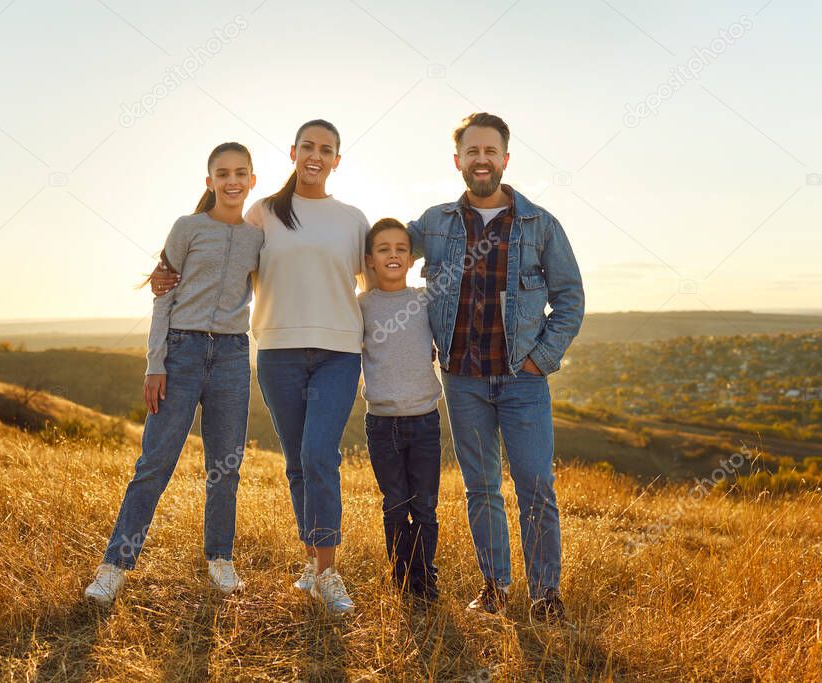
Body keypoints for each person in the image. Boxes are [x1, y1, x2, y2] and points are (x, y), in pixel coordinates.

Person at [151, 120, 369, 615]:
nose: (317, 155)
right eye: (308, 147)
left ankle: (328, 572)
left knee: (319, 454)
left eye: (327, 149)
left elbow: (378, 279)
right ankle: (312, 563)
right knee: (296, 461)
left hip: (339, 353)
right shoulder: (264, 213)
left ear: (338, 158)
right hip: (278, 353)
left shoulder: (354, 219)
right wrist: (168, 275)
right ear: (293, 152)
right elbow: (222, 253)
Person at [406, 113, 585, 625]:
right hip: (462, 380)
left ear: (504, 159)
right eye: (472, 151)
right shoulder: (435, 223)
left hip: (521, 382)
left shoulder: (540, 224)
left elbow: (570, 299)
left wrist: (539, 359)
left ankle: (546, 598)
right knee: (480, 487)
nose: (480, 159)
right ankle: (494, 589)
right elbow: (380, 251)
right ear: (458, 160)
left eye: (490, 151)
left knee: (535, 489)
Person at [85, 142, 263, 606]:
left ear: (252, 180)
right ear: (209, 182)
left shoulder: (257, 237)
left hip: (231, 356)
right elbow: (162, 295)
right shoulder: (188, 228)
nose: (232, 181)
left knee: (225, 468)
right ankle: (114, 567)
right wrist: (155, 362)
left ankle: (220, 560)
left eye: (240, 173)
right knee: (154, 464)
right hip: (181, 352)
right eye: (222, 173)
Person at [358, 218, 443, 604]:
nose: (393, 254)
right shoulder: (360, 308)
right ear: (370, 260)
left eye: (400, 249)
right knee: (395, 504)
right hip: (382, 423)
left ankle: (425, 579)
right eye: (383, 249)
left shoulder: (427, 300)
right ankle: (401, 577)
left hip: (425, 420)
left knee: (424, 506)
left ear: (411, 258)